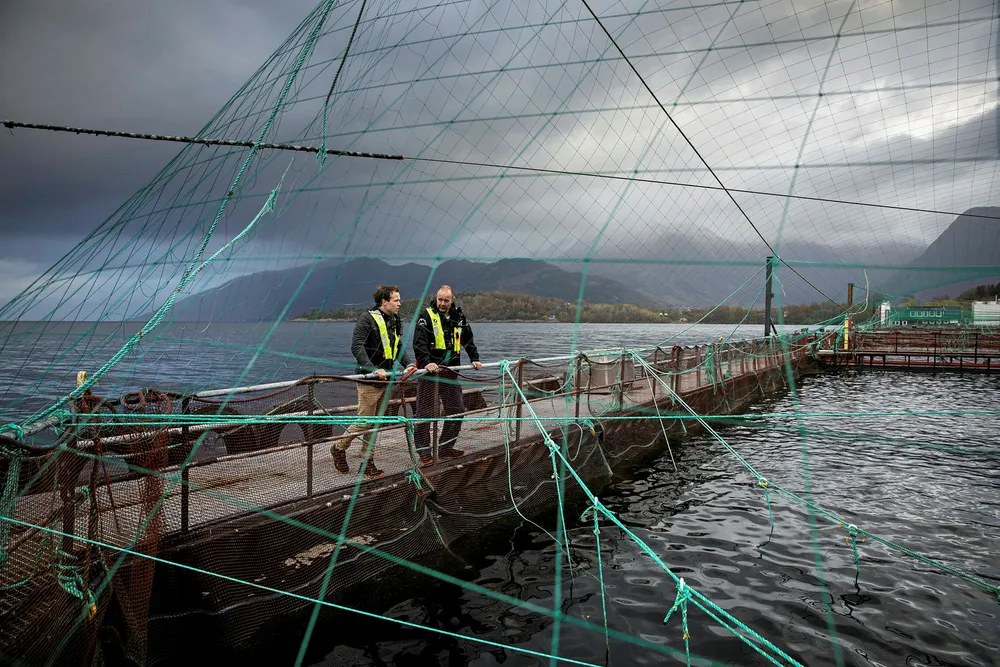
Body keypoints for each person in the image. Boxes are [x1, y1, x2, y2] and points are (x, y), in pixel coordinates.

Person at [332, 285, 415, 479]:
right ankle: (338, 448)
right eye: (396, 300)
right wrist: (372, 369)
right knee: (365, 421)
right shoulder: (366, 319)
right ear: (384, 302)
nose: (400, 303)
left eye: (399, 300)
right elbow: (357, 347)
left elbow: (397, 346)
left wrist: (409, 363)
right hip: (368, 381)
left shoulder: (395, 321)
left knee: (375, 424)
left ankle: (367, 462)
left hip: (386, 381)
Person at [412, 285, 482, 465]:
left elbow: (468, 340)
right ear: (436, 298)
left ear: (452, 300)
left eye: (446, 300)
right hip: (429, 373)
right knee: (424, 413)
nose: (442, 303)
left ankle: (445, 448)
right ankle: (424, 451)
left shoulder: (459, 318)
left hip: (450, 373)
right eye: (440, 299)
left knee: (457, 410)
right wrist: (426, 362)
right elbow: (419, 343)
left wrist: (474, 358)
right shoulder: (426, 316)